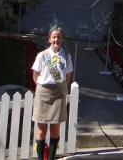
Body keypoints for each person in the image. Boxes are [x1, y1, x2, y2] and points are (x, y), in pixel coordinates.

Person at [31, 25, 73, 160]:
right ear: (49, 39)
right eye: (54, 37)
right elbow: (35, 75)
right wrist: (43, 86)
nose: (56, 40)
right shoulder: (42, 56)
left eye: (59, 38)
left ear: (62, 40)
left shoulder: (66, 57)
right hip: (43, 93)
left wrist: (60, 88)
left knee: (55, 130)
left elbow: (67, 76)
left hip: (58, 94)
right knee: (41, 130)